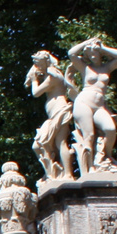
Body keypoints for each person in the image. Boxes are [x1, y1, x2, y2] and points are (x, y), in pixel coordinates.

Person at [66, 38, 117, 177]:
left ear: (100, 54)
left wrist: (102, 47)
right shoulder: (85, 67)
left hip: (99, 105)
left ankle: (105, 157)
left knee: (110, 129)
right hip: (84, 102)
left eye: (95, 53)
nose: (93, 56)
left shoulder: (107, 67)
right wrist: (87, 41)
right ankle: (89, 169)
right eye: (90, 53)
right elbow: (71, 53)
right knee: (89, 136)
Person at [27, 51, 78, 183]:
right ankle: (52, 172)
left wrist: (34, 80)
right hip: (54, 113)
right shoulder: (49, 75)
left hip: (59, 110)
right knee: (39, 144)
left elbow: (36, 92)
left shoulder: (53, 76)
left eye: (38, 62)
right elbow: (26, 83)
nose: (35, 65)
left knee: (60, 142)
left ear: (45, 61)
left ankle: (67, 174)